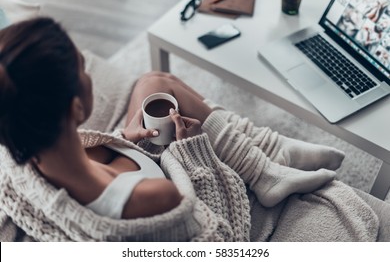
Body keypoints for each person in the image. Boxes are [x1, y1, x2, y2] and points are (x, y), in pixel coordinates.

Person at [0, 17, 381, 242]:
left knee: (152, 82)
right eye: (83, 68)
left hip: (138, 163)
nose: (87, 73)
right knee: (166, 96)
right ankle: (262, 166)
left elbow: (86, 166)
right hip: (185, 185)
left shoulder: (19, 157)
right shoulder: (154, 199)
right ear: (76, 107)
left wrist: (122, 142)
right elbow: (219, 236)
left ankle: (269, 160)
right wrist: (192, 151)